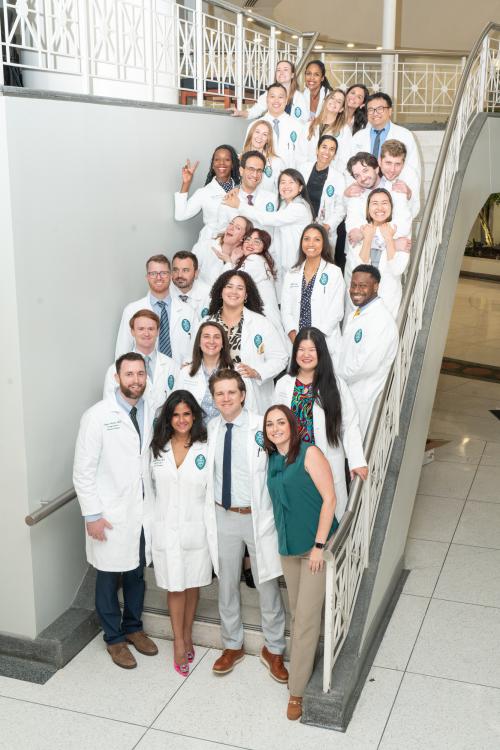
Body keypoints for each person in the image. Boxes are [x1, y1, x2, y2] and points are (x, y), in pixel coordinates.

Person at [73, 352, 158, 669]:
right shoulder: (96, 416)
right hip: (108, 514)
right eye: (129, 374)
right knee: (108, 577)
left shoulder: (148, 411)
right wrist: (92, 515)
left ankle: (134, 628)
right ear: (117, 377)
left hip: (140, 511)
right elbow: (82, 471)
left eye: (141, 374)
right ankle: (114, 638)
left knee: (137, 574)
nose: (136, 380)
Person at [204, 369, 287, 681]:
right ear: (214, 399)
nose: (225, 398)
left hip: (256, 516)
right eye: (219, 394)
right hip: (222, 516)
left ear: (242, 394)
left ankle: (274, 649)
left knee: (266, 584)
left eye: (231, 392)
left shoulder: (260, 427)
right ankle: (232, 644)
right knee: (226, 584)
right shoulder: (210, 428)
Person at [264, 405, 337, 720]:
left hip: (314, 549)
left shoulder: (310, 453)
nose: (276, 428)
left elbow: (330, 499)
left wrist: (319, 546)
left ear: (293, 426)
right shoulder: (273, 460)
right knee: (298, 614)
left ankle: (297, 693)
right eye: (270, 424)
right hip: (288, 548)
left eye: (281, 422)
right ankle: (306, 665)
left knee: (306, 618)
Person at [146, 390, 212, 677]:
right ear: (168, 418)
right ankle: (179, 641)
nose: (181, 420)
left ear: (195, 415)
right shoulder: (156, 447)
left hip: (197, 526)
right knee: (175, 585)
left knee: (193, 583)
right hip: (165, 527)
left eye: (187, 414)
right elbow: (148, 490)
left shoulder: (206, 446)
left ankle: (187, 632)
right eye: (176, 414)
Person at [273, 327, 367, 521]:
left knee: (330, 516)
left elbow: (349, 425)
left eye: (312, 350)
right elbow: (274, 425)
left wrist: (356, 461)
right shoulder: (283, 384)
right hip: (293, 463)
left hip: (326, 461)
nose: (306, 355)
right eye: (301, 349)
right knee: (300, 517)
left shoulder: (335, 385)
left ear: (321, 353)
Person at [207, 270, 288, 412]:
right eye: (229, 286)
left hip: (251, 399)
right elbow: (193, 356)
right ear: (221, 291)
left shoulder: (261, 323)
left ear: (246, 295)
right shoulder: (207, 323)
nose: (234, 291)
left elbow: (280, 357)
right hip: (214, 396)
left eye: (240, 288)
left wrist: (257, 371)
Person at [224, 168, 314, 290]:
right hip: (284, 265)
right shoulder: (284, 205)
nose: (286, 186)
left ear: (300, 188)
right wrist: (238, 189)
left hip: (296, 266)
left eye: (291, 182)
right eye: (282, 182)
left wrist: (239, 205)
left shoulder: (299, 208)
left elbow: (267, 219)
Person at [337, 265, 399, 435]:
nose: (356, 290)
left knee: (351, 451)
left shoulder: (381, 321)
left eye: (363, 286)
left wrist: (333, 376)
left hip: (361, 396)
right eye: (354, 285)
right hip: (346, 391)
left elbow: (364, 365)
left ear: (376, 286)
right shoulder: (356, 314)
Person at [344, 152, 412, 290]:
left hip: (388, 268)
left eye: (365, 170)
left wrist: (367, 236)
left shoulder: (396, 190)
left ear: (376, 168)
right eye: (357, 175)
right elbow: (354, 234)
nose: (362, 178)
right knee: (355, 306)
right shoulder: (355, 194)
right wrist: (391, 242)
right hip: (359, 263)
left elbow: (401, 228)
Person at [115, 255, 197, 366]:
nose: (159, 277)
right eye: (153, 273)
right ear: (147, 277)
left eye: (163, 273)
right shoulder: (131, 310)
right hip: (144, 378)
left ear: (171, 275)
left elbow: (196, 349)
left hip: (180, 376)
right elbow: (122, 352)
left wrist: (188, 369)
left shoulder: (188, 311)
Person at [281, 224, 345, 360]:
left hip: (324, 342)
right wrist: (295, 338)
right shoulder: (292, 273)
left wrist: (315, 341)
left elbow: (336, 311)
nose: (311, 243)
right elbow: (285, 310)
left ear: (324, 244)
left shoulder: (334, 272)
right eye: (306, 239)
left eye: (317, 239)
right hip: (296, 342)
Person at [177, 320, 256, 419]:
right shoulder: (185, 372)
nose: (211, 341)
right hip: (195, 432)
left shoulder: (239, 371)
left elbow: (251, 408)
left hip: (228, 431)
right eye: (206, 336)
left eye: (217, 337)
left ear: (223, 343)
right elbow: (177, 407)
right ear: (199, 343)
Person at [104, 310, 177, 412]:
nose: (146, 333)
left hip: (165, 426)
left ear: (158, 331)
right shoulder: (115, 369)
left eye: (151, 329)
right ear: (132, 332)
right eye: (141, 329)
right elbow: (109, 407)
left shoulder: (172, 365)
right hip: (131, 426)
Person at [353, 188, 410, 318]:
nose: (379, 207)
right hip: (363, 296)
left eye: (384, 203)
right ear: (368, 208)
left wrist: (390, 239)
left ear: (391, 207)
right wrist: (367, 239)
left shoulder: (400, 231)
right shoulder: (361, 230)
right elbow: (358, 269)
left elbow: (397, 269)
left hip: (387, 297)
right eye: (374, 203)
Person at [174, 145, 241, 251]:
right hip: (209, 246)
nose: (221, 163)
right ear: (213, 165)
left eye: (227, 160)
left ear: (233, 164)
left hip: (236, 247)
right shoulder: (204, 192)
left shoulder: (241, 191)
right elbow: (180, 215)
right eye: (217, 160)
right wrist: (186, 183)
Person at [350, 92, 421, 183]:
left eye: (380, 109)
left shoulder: (405, 135)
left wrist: (403, 187)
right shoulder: (358, 137)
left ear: (390, 111)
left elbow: (412, 167)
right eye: (371, 110)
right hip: (363, 190)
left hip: (394, 189)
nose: (375, 113)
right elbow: (351, 165)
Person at [233, 229, 283, 339]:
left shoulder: (254, 259)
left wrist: (230, 261)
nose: (250, 244)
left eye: (257, 242)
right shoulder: (261, 260)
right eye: (248, 239)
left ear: (263, 247)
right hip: (268, 319)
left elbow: (231, 283)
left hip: (263, 321)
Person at [245, 83, 306, 169]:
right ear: (267, 100)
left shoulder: (298, 127)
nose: (276, 101)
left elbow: (303, 159)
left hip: (290, 179)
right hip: (262, 179)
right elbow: (246, 156)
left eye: (280, 97)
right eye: (272, 96)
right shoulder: (255, 126)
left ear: (286, 100)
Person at [300, 135, 346, 247]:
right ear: (317, 149)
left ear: (334, 155)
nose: (327, 152)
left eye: (332, 149)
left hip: (323, 227)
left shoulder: (339, 178)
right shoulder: (303, 168)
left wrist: (327, 225)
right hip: (301, 223)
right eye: (324, 147)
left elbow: (341, 207)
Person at [216, 151, 277, 230]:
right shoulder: (228, 200)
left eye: (259, 170)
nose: (255, 174)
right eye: (251, 169)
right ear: (241, 171)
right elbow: (221, 233)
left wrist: (239, 205)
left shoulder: (273, 199)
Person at [233, 59, 308, 123]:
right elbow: (256, 110)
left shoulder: (299, 97)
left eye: (285, 70)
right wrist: (240, 113)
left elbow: (304, 120)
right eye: (278, 70)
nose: (281, 73)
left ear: (292, 75)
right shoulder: (269, 93)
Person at [196, 216, 253, 286]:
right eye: (231, 223)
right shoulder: (204, 246)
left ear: (243, 238)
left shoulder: (245, 260)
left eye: (238, 228)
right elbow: (190, 275)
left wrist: (231, 261)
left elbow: (226, 286)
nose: (231, 228)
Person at [304, 89, 351, 170]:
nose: (334, 102)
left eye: (339, 101)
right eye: (332, 98)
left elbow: (345, 158)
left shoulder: (345, 130)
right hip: (307, 173)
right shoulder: (309, 125)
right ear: (326, 101)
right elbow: (300, 153)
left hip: (331, 175)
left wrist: (334, 176)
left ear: (341, 109)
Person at [241, 119, 286, 192]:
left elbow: (283, 190)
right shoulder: (239, 159)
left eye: (264, 134)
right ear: (251, 134)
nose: (260, 137)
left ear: (268, 139)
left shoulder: (276, 162)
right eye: (257, 132)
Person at [379, 139, 420, 219]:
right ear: (380, 161)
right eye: (388, 163)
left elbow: (415, 211)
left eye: (397, 164)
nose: (392, 169)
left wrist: (409, 195)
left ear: (403, 163)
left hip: (400, 228)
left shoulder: (410, 175)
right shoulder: (369, 173)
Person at [171, 251, 211, 320]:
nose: (179, 275)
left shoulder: (208, 294)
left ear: (196, 273)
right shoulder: (162, 292)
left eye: (185, 270)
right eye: (176, 270)